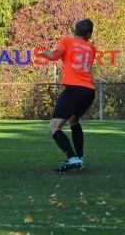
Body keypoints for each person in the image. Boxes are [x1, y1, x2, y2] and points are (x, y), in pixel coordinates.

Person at [39, 18, 96, 173]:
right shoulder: (92, 48)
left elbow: (53, 56)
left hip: (74, 90)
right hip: (89, 91)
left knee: (53, 128)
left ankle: (73, 158)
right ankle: (80, 158)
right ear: (89, 34)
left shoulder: (67, 41)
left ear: (74, 30)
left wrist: (43, 52)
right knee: (73, 121)